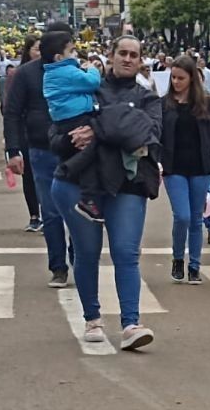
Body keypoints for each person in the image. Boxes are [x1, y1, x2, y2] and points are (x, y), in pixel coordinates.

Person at [50, 36, 162, 350]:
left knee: (126, 253)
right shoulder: (87, 89)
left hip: (128, 185)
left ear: (141, 61)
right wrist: (79, 136)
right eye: (122, 53)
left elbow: (148, 133)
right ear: (110, 56)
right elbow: (57, 136)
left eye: (134, 55)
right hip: (80, 183)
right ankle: (92, 319)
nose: (127, 59)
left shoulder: (149, 98)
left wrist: (97, 127)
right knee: (86, 252)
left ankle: (131, 324)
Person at [6, 22, 75, 289]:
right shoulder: (25, 74)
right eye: (69, 49)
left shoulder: (76, 72)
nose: (73, 54)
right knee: (51, 211)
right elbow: (12, 113)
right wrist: (13, 150)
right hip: (40, 150)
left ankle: (79, 258)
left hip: (74, 149)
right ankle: (58, 267)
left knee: (78, 209)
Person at [162, 55, 210, 285]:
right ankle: (177, 258)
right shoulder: (164, 104)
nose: (176, 82)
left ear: (192, 78)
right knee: (181, 216)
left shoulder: (206, 104)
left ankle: (194, 265)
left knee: (195, 219)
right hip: (174, 168)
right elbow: (157, 135)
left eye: (180, 78)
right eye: (173, 77)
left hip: (201, 167)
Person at [41, 31, 107, 222]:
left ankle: (85, 193)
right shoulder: (66, 71)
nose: (75, 55)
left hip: (63, 119)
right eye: (71, 51)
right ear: (59, 57)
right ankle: (87, 197)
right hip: (77, 117)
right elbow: (92, 83)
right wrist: (92, 69)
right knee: (90, 152)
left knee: (83, 152)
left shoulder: (51, 73)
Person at [8, 37, 43, 231]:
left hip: (46, 136)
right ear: (28, 51)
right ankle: (34, 215)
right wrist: (11, 146)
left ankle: (48, 213)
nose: (40, 53)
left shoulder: (52, 72)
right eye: (36, 49)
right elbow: (9, 110)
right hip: (25, 133)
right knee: (29, 175)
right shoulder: (19, 74)